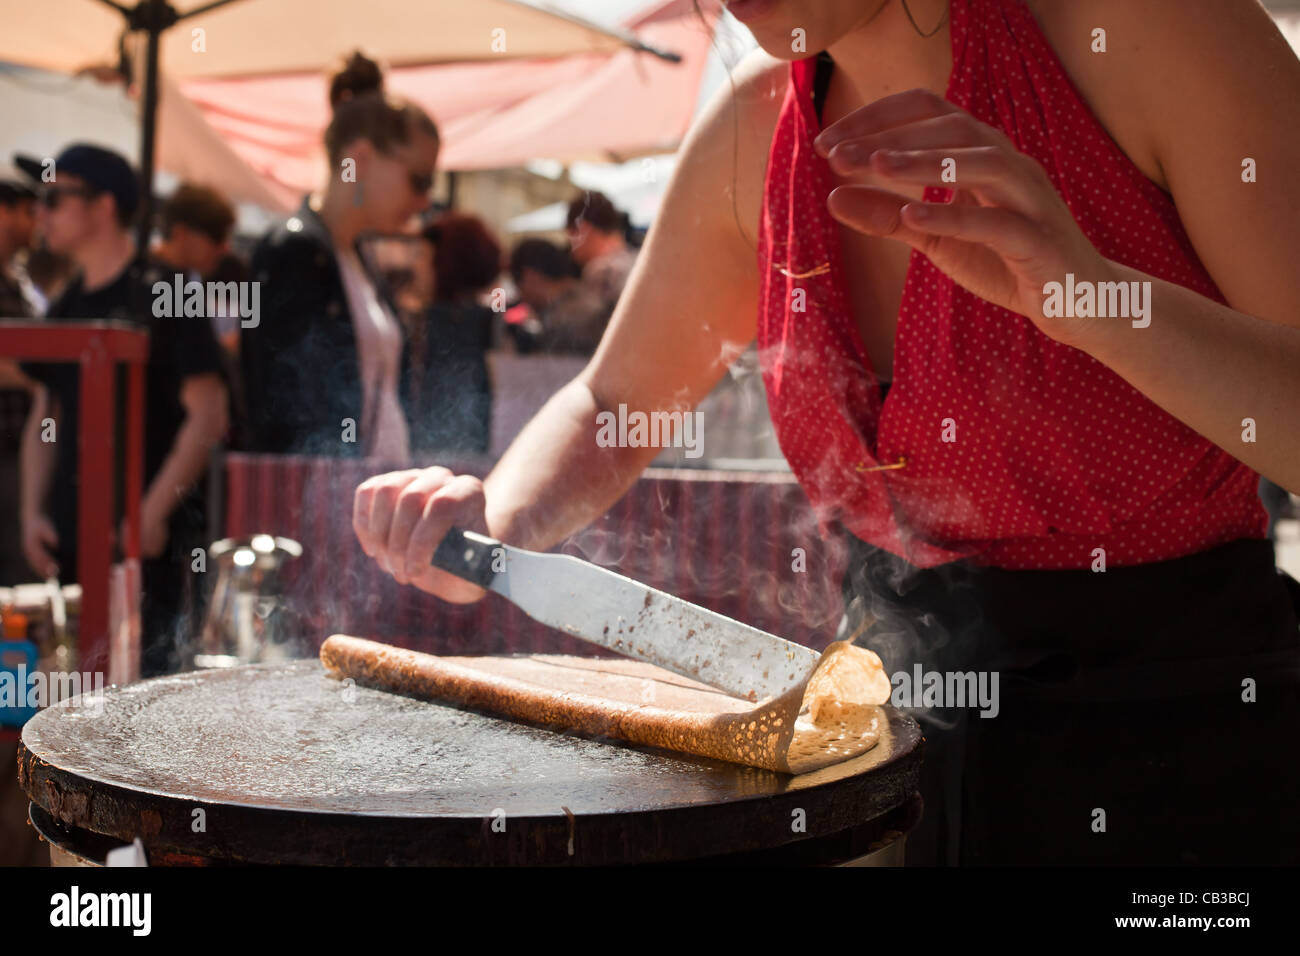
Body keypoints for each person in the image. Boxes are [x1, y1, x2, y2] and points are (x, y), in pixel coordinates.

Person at [353, 0, 1300, 866]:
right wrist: (499, 520)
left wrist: (1085, 298)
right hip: (890, 759)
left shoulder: (1148, 28)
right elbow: (615, 401)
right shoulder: (756, 118)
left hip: (1185, 755)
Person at [15, 143, 229, 676]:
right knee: (66, 706)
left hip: (151, 563)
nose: (40, 212)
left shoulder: (169, 289)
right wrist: (31, 513)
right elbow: (47, 413)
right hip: (74, 549)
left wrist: (148, 515)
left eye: (54, 197)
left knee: (141, 719)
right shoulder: (66, 302)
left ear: (104, 205)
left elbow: (209, 413)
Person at [239, 51, 439, 461]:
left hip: (354, 499)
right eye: (420, 179)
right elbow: (281, 411)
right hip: (324, 505)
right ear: (361, 158)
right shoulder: (294, 252)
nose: (425, 200)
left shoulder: (353, 255)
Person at [402, 214, 500, 455]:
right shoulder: (485, 320)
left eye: (423, 256)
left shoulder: (442, 322)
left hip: (433, 458)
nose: (416, 266)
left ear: (445, 263)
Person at [506, 238, 607, 354]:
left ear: (530, 276)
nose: (521, 298)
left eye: (518, 285)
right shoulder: (590, 298)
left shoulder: (560, 322)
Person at [564, 190, 637, 344]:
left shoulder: (602, 271)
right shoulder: (637, 260)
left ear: (583, 229)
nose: (571, 247)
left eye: (570, 235)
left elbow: (585, 334)